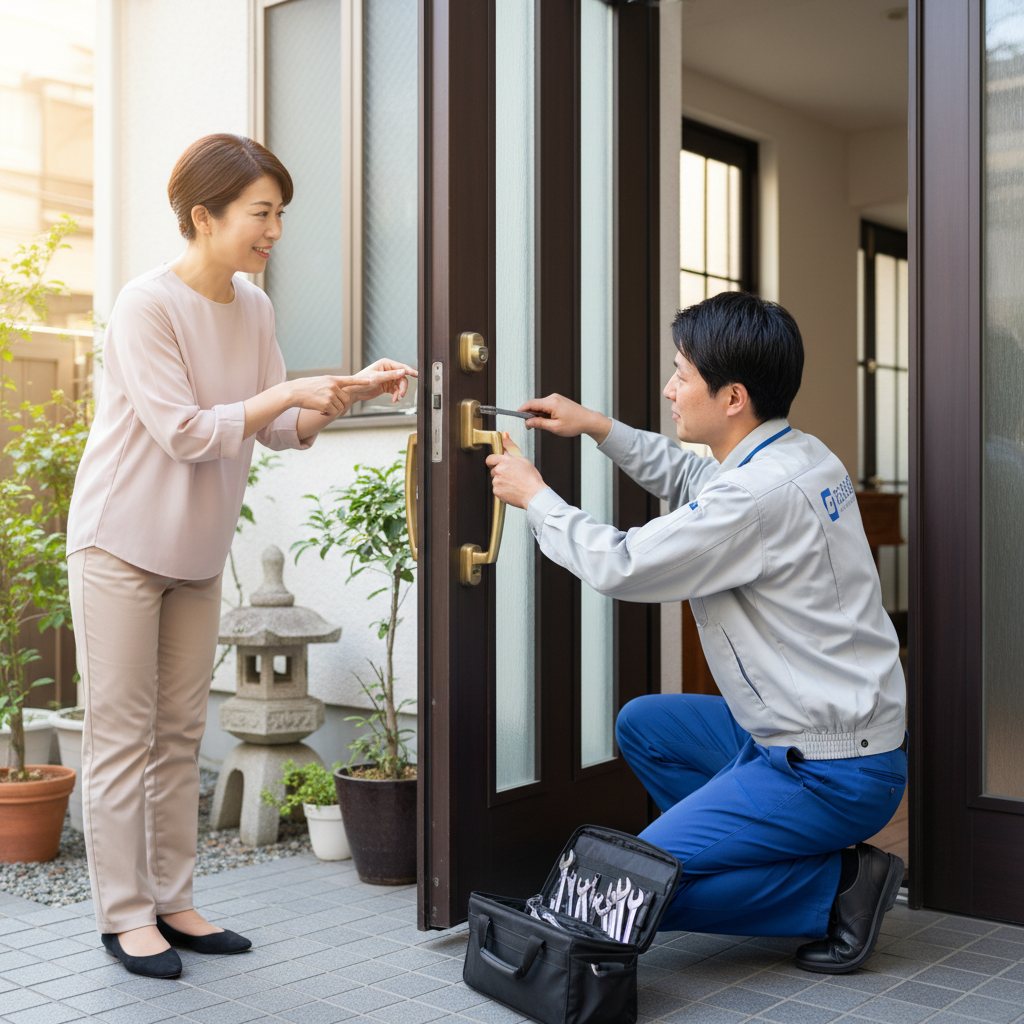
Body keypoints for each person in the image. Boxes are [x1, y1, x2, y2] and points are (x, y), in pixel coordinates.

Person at [65, 134, 417, 979]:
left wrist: (343, 393)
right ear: (203, 216)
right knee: (121, 734)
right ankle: (124, 917)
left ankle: (175, 902)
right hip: (119, 540)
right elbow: (187, 431)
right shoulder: (145, 306)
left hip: (194, 548)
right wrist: (286, 392)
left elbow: (284, 429)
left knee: (182, 729)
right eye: (262, 213)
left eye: (280, 214)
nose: (275, 231)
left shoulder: (252, 306)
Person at [487, 291, 906, 974]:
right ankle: (766, 847)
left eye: (682, 373)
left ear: (733, 396)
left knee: (628, 892)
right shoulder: (798, 453)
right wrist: (595, 425)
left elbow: (619, 564)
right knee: (646, 724)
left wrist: (535, 496)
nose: (669, 388)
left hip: (828, 769)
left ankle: (837, 889)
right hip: (809, 738)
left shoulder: (754, 498)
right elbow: (689, 473)